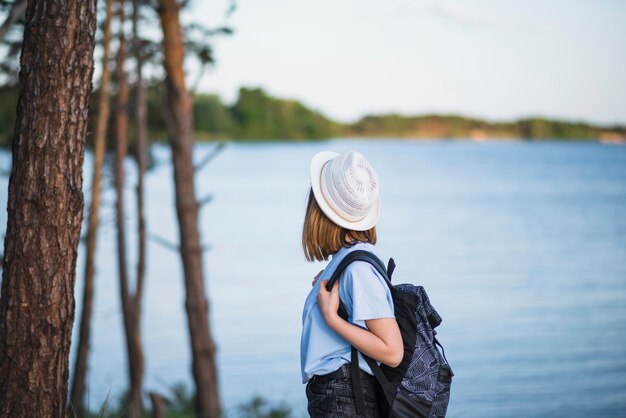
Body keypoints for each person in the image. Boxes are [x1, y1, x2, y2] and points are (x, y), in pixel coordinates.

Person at [300, 150, 403, 418]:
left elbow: (392, 351)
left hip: (344, 399)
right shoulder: (347, 264)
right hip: (337, 396)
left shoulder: (357, 269)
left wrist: (331, 318)